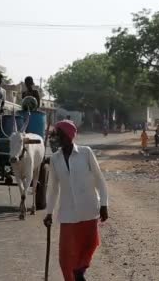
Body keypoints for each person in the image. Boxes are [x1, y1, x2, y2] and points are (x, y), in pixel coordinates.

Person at [44, 120, 109, 281]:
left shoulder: (86, 153)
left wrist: (104, 204)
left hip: (89, 209)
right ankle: (74, 277)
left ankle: (80, 271)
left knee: (90, 245)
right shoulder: (55, 159)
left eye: (59, 135)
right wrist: (49, 213)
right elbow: (53, 188)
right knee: (65, 257)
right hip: (67, 214)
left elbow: (100, 180)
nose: (56, 139)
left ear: (68, 136)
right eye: (55, 135)